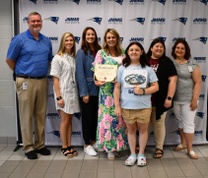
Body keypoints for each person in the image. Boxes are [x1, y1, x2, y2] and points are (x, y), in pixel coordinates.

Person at [6, 12, 52, 159]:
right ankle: (28, 147)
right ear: (28, 22)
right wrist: (21, 73)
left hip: (42, 80)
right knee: (26, 115)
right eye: (33, 21)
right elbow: (9, 60)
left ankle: (40, 145)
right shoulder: (19, 39)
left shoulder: (46, 41)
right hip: (25, 81)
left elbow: (49, 59)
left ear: (41, 22)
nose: (36, 23)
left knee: (40, 114)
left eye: (38, 21)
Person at [114, 42, 159, 166]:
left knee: (144, 131)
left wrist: (143, 91)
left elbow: (156, 87)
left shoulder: (148, 69)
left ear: (141, 52)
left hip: (144, 106)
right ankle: (133, 154)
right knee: (131, 131)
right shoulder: (122, 68)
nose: (134, 52)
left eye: (137, 50)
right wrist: (117, 105)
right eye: (131, 50)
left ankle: (141, 154)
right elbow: (117, 87)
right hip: (127, 106)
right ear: (127, 52)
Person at [93, 28, 129, 160]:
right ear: (105, 39)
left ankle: (118, 146)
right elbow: (96, 73)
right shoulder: (101, 53)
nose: (111, 40)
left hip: (122, 91)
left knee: (120, 120)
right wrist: (97, 82)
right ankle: (109, 148)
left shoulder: (124, 53)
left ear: (117, 38)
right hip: (106, 93)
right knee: (107, 119)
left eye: (113, 37)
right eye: (108, 37)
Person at [146, 38, 177, 158]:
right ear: (151, 48)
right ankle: (140, 146)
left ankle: (159, 147)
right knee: (144, 124)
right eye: (156, 46)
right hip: (143, 100)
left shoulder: (167, 62)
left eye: (161, 47)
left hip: (160, 99)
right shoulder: (144, 60)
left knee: (159, 124)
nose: (159, 48)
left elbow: (173, 80)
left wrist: (169, 98)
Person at [50, 32, 80, 158]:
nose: (69, 42)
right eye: (67, 40)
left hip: (73, 92)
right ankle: (64, 146)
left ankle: (69, 144)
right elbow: (55, 79)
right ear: (63, 42)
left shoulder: (73, 57)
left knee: (69, 120)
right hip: (63, 93)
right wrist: (58, 96)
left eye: (71, 40)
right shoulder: (58, 58)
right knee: (64, 120)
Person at [171, 39, 201, 159]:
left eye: (182, 48)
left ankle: (190, 149)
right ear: (174, 49)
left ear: (186, 50)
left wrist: (194, 99)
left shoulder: (192, 64)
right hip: (176, 99)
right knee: (180, 122)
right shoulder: (171, 63)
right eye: (177, 48)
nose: (179, 50)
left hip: (189, 100)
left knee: (188, 124)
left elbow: (198, 82)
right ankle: (182, 143)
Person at [76, 27, 101, 156]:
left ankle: (93, 140)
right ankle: (86, 144)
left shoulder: (100, 51)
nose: (91, 36)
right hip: (88, 92)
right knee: (87, 119)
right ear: (84, 37)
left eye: (93, 34)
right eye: (88, 34)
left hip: (100, 91)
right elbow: (80, 74)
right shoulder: (81, 53)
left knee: (96, 119)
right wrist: (84, 93)